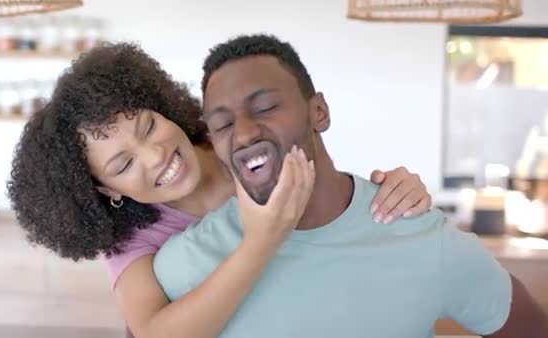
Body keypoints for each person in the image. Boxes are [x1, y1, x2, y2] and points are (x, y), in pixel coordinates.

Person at [7, 43, 433, 338]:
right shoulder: (130, 241)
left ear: (165, 107)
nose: (155, 155)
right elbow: (154, 332)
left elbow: (333, 202)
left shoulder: (242, 140)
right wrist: (260, 242)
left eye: (150, 126)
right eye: (124, 164)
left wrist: (397, 192)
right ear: (102, 189)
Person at [152, 34, 548, 338]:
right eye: (222, 124)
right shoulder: (186, 263)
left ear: (318, 112)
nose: (244, 133)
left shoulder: (420, 235)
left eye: (266, 107)